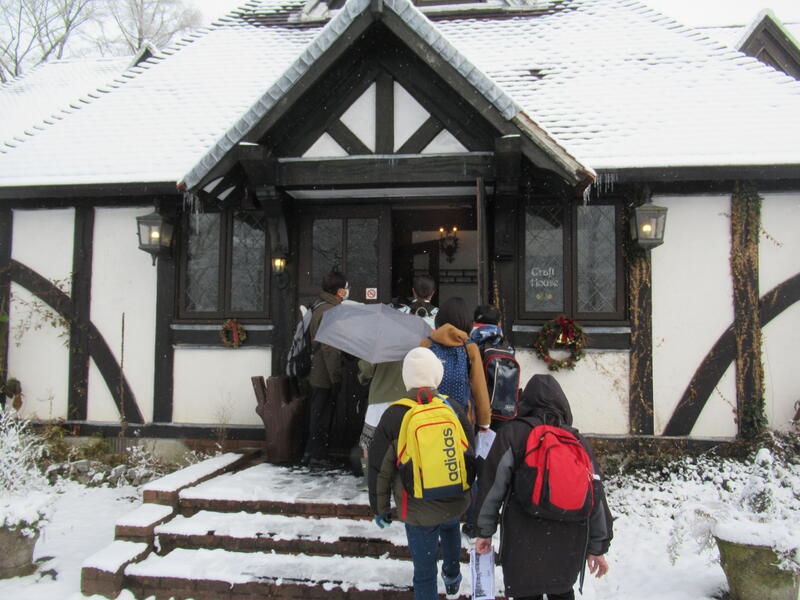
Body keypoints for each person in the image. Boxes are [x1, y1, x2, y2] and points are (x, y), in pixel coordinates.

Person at [473, 374, 613, 600]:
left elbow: (493, 487)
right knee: (562, 592)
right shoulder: (577, 440)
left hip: (523, 538)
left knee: (526, 593)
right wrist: (598, 547)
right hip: (568, 541)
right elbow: (596, 497)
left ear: (525, 401)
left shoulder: (513, 433)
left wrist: (484, 531)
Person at [368, 347, 474, 600]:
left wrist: (380, 508)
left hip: (416, 505)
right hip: (453, 496)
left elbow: (379, 468)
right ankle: (452, 576)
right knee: (450, 528)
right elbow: (469, 452)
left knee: (424, 574)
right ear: (437, 375)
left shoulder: (395, 414)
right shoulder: (453, 408)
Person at [420, 297, 491, 431]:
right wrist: (484, 421)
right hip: (461, 420)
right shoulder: (469, 347)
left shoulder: (426, 344)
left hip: (428, 419)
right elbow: (479, 386)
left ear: (439, 319)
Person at [302, 270, 349, 467]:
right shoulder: (331, 312)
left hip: (317, 371)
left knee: (317, 412)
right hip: (324, 374)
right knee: (322, 414)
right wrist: (336, 377)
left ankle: (311, 452)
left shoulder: (319, 306)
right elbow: (330, 349)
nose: (346, 291)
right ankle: (317, 455)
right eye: (345, 288)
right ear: (338, 291)